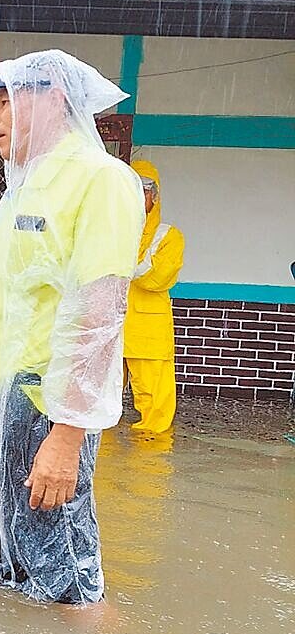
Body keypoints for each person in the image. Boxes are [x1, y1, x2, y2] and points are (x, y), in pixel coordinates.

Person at [0, 50, 145, 604]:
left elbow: (97, 318)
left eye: (5, 102)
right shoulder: (17, 195)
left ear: (54, 101)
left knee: (68, 581)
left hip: (44, 412)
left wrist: (69, 434)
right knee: (3, 569)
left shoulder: (102, 181)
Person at [123, 160, 184, 433]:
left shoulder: (169, 236)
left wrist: (121, 265)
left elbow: (157, 277)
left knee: (154, 401)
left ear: (155, 196)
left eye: (144, 189)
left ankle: (152, 462)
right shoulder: (114, 230)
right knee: (101, 395)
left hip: (147, 329)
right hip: (112, 324)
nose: (137, 195)